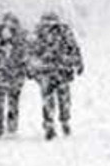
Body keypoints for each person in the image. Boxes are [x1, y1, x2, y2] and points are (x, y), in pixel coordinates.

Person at [28, 12, 84, 140]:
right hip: (61, 70)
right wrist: (78, 63)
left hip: (46, 71)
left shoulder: (38, 33)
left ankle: (50, 124)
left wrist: (30, 69)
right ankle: (64, 121)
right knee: (63, 98)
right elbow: (74, 48)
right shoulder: (63, 31)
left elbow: (31, 53)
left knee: (48, 100)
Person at [0, 12, 29, 138]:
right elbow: (26, 54)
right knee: (13, 101)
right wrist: (25, 69)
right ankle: (12, 127)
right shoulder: (21, 35)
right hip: (15, 74)